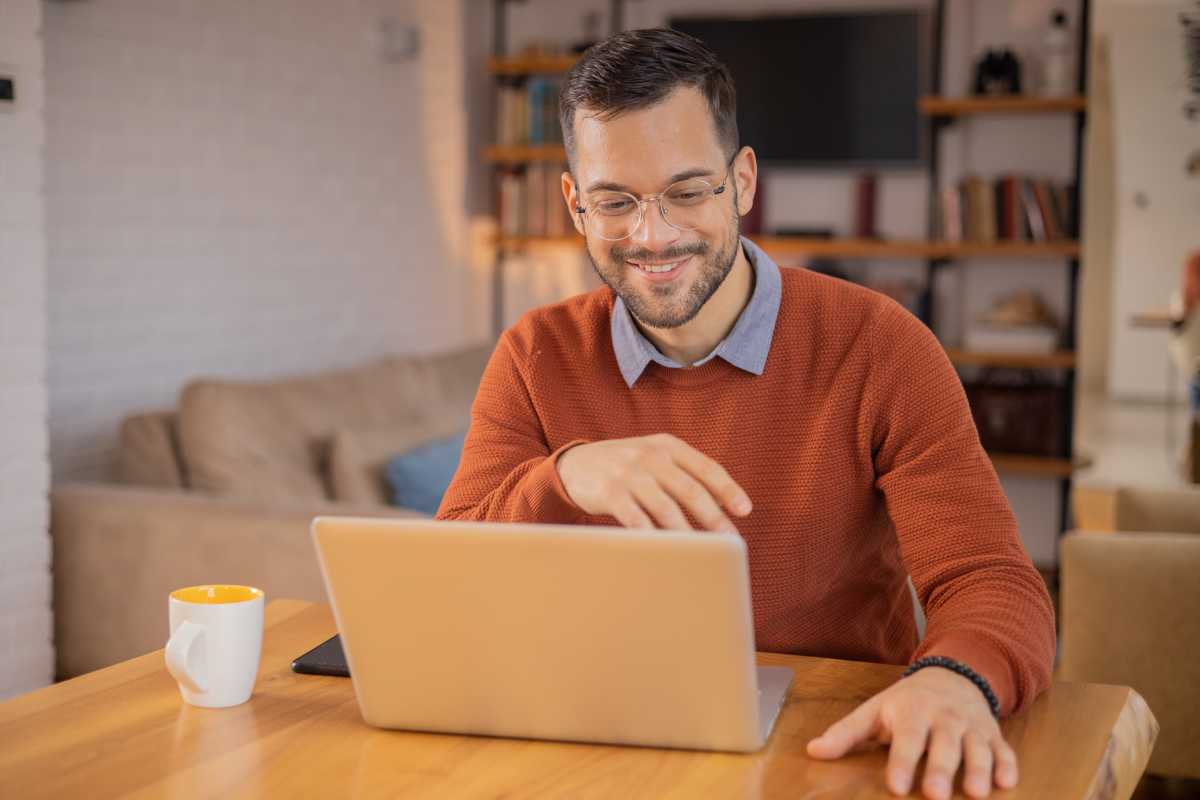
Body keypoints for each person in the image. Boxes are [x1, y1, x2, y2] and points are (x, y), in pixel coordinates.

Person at [438, 28, 1054, 800]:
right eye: (615, 202)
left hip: (823, 748)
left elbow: (991, 578)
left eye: (688, 193)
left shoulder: (883, 346)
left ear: (744, 182)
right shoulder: (535, 353)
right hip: (598, 738)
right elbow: (449, 582)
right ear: (573, 203)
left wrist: (954, 678)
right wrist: (564, 477)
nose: (651, 235)